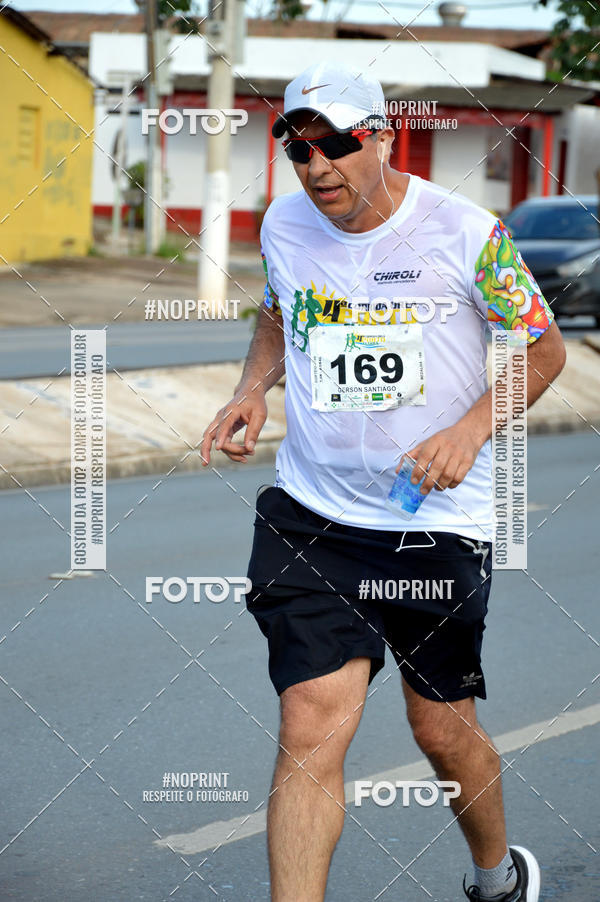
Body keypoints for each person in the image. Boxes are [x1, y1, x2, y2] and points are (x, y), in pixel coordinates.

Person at [201, 62, 566, 902]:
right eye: (299, 148)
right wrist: (254, 387)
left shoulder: (466, 232)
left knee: (439, 728)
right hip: (312, 515)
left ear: (383, 137)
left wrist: (470, 428)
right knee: (308, 725)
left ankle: (496, 876)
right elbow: (278, 309)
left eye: (335, 144)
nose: (317, 165)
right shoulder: (285, 224)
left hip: (431, 521)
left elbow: (543, 349)